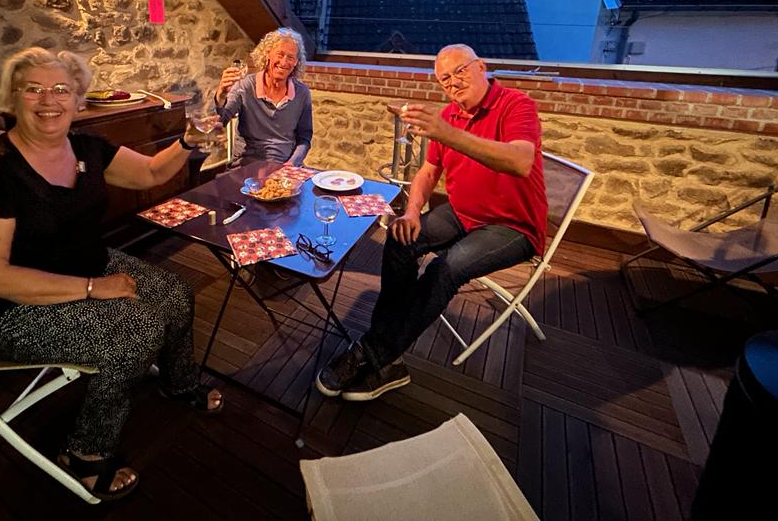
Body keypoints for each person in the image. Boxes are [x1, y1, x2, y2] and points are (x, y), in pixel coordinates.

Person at [0, 47, 223, 502]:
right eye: (33, 89)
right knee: (136, 330)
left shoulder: (87, 148)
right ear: (13, 99)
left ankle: (178, 381)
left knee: (174, 292)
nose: (48, 100)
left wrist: (189, 142)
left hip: (86, 265)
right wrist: (95, 290)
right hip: (13, 309)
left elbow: (150, 172)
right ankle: (85, 453)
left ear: (78, 100)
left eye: (61, 90)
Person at [316, 44, 547, 401]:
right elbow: (427, 172)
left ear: (482, 66)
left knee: (445, 268)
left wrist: (445, 133)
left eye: (460, 71)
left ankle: (374, 353)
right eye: (444, 79)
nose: (453, 83)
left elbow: (520, 162)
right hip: (463, 211)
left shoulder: (516, 105)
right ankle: (391, 351)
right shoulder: (450, 116)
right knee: (400, 238)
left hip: (512, 225)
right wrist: (411, 211)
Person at [215, 27, 313, 167]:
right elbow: (219, 122)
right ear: (268, 54)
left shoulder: (302, 93)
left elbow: (304, 138)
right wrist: (221, 94)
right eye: (280, 54)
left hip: (286, 166)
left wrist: (291, 164)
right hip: (248, 165)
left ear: (296, 62)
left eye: (290, 57)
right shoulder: (245, 86)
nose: (284, 62)